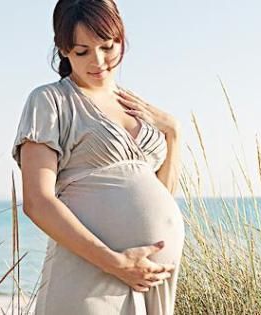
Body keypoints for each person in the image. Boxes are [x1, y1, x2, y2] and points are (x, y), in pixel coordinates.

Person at [11, 1, 185, 314]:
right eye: (82, 51)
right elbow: (37, 201)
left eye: (108, 46)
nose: (99, 61)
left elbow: (162, 196)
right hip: (91, 275)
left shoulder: (136, 106)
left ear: (122, 38)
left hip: (150, 281)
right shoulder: (51, 101)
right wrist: (115, 263)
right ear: (63, 49)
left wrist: (173, 133)